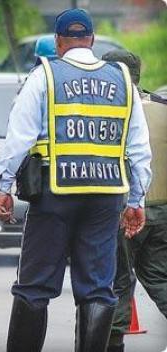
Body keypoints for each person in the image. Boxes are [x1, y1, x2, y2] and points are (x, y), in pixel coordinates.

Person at [0, 9, 152, 352]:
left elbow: (18, 138)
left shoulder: (46, 76)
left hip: (56, 193)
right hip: (106, 196)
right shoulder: (122, 79)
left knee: (34, 286)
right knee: (97, 289)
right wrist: (137, 201)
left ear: (58, 42)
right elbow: (139, 148)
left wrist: (3, 185)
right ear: (92, 40)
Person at [101, 50, 167, 352]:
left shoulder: (106, 112)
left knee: (117, 283)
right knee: (158, 277)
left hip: (122, 210)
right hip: (162, 212)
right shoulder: (163, 108)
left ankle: (112, 344)